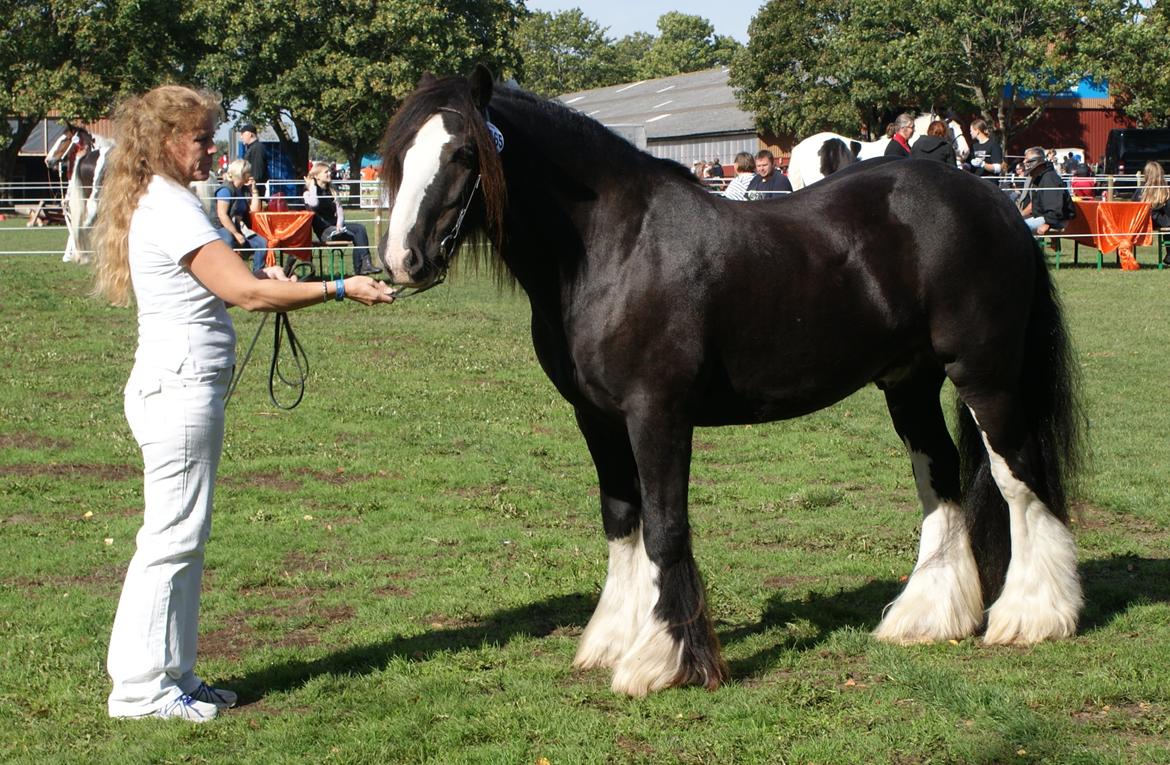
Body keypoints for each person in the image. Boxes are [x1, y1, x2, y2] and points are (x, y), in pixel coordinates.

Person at [92, 85, 394, 723]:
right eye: (202, 138)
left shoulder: (168, 201)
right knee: (171, 539)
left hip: (181, 382)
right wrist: (340, 286)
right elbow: (246, 295)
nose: (213, 150)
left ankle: (174, 675)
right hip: (178, 387)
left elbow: (229, 288)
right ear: (167, 141)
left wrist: (267, 283)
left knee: (183, 537)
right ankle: (142, 690)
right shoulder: (172, 208)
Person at [303, 160, 377, 274]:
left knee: (360, 228)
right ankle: (360, 269)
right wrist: (313, 185)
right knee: (355, 235)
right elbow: (314, 203)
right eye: (326, 172)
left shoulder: (332, 190)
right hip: (325, 231)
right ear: (316, 176)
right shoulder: (308, 193)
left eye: (329, 171)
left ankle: (365, 265)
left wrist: (339, 224)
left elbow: (340, 211)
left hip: (336, 227)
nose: (329, 174)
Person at [213, 159, 267, 271]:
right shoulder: (226, 190)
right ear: (242, 174)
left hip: (239, 227)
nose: (251, 175)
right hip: (221, 227)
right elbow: (222, 215)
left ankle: (257, 275)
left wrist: (254, 190)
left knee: (261, 243)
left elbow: (254, 210)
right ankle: (228, 275)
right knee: (229, 240)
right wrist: (236, 234)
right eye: (248, 172)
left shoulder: (243, 190)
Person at [1018, 146, 1073, 235]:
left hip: (1056, 220)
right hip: (1043, 216)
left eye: (1026, 159)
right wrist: (1019, 215)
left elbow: (1055, 205)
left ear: (1035, 161)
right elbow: (1034, 204)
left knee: (1017, 228)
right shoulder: (1039, 178)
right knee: (1013, 223)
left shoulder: (1049, 178)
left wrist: (1048, 223)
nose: (1024, 162)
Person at [1134, 160, 1170, 227]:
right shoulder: (1166, 191)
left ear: (1146, 175)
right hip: (1148, 222)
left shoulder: (1140, 191)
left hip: (1147, 222)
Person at [238, 122, 267, 199]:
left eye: (243, 134)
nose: (241, 137)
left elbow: (258, 171)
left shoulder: (257, 148)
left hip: (254, 189)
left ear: (250, 134)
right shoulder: (252, 148)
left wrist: (253, 185)